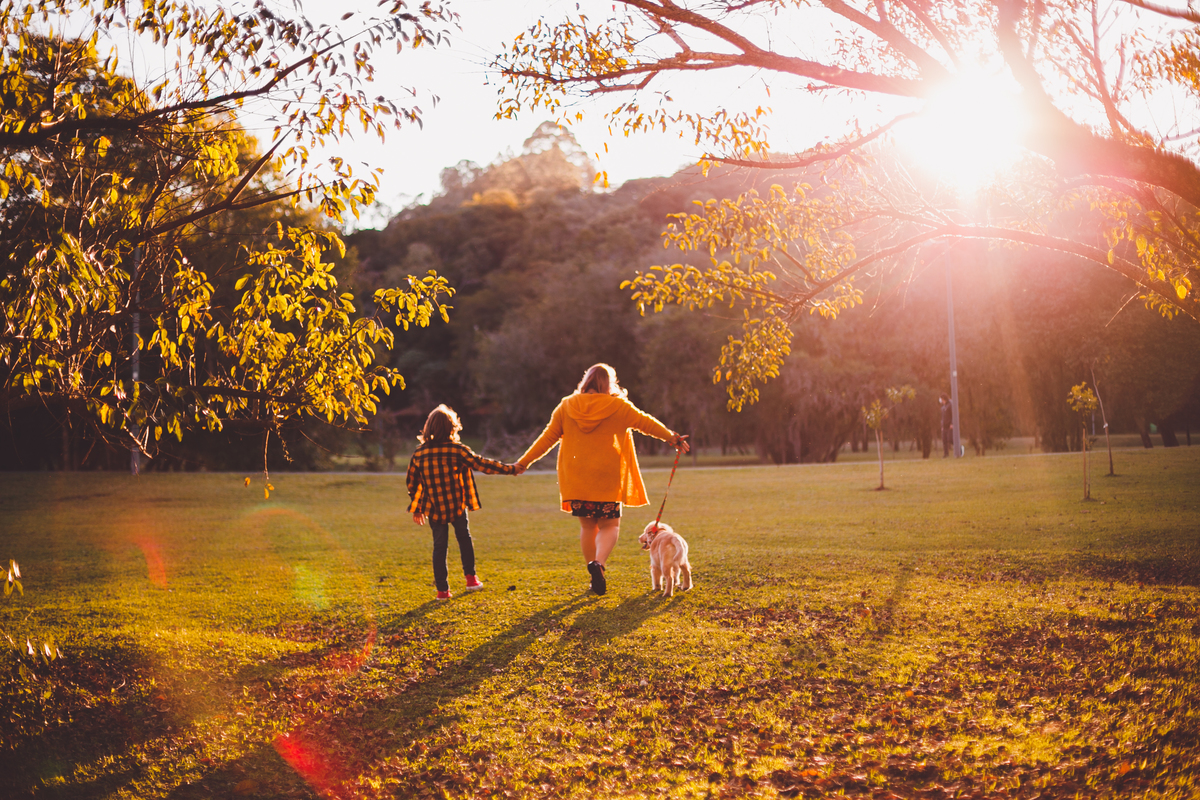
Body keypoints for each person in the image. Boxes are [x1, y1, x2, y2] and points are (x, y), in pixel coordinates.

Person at [517, 363, 689, 595]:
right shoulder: (617, 406)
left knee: (588, 526)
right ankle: (600, 564)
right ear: (609, 384)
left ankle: (593, 575)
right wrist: (673, 438)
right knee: (610, 525)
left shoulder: (566, 405)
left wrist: (524, 462)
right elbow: (646, 423)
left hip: (578, 478)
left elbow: (547, 437)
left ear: (585, 381)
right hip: (607, 478)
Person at [406, 404, 525, 600]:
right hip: (456, 505)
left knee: (439, 547)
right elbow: (482, 464)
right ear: (452, 428)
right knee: (464, 539)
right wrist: (511, 469)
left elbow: (412, 482)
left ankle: (442, 591)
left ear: (428, 428)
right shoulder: (457, 450)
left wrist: (417, 508)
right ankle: (471, 579)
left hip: (434, 508)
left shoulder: (419, 454)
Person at [939, 393, 953, 458]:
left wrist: (952, 423)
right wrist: (942, 426)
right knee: (944, 440)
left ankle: (959, 450)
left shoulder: (950, 405)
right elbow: (942, 417)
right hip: (944, 426)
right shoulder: (943, 407)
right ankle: (946, 454)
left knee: (950, 439)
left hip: (949, 426)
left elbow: (953, 414)